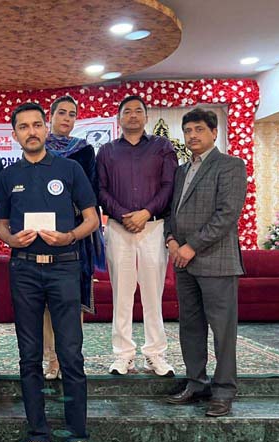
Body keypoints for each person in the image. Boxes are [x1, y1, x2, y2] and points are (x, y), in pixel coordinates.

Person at [0, 103, 99, 442]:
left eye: (37, 124)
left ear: (46, 128)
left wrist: (69, 237)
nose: (31, 131)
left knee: (71, 354)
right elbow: (1, 223)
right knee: (29, 355)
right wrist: (9, 239)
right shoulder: (8, 176)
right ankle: (38, 434)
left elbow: (91, 219)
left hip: (64, 266)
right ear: (15, 135)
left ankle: (77, 434)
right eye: (23, 127)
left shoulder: (70, 169)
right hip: (23, 269)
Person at [164, 108, 247, 417]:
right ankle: (196, 382)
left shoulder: (230, 166)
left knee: (222, 330)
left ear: (214, 132)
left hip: (216, 261)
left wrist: (191, 246)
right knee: (191, 327)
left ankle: (223, 390)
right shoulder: (182, 170)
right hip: (183, 261)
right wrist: (171, 241)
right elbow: (172, 212)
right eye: (188, 131)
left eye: (199, 129)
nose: (193, 136)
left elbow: (227, 214)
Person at [96, 95, 178, 377]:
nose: (132, 115)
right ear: (119, 119)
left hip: (153, 228)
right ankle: (123, 355)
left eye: (138, 111)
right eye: (127, 111)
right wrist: (123, 216)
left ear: (146, 117)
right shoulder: (106, 151)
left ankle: (155, 354)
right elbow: (101, 191)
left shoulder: (162, 147)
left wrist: (146, 212)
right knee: (122, 293)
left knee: (153, 294)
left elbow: (170, 186)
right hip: (119, 229)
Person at [41, 94, 103, 380]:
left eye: (71, 114)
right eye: (61, 113)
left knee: (72, 299)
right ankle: (51, 359)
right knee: (45, 301)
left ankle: (70, 358)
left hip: (76, 233)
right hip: (42, 231)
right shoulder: (38, 147)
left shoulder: (84, 151)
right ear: (49, 116)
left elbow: (89, 191)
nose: (66, 118)